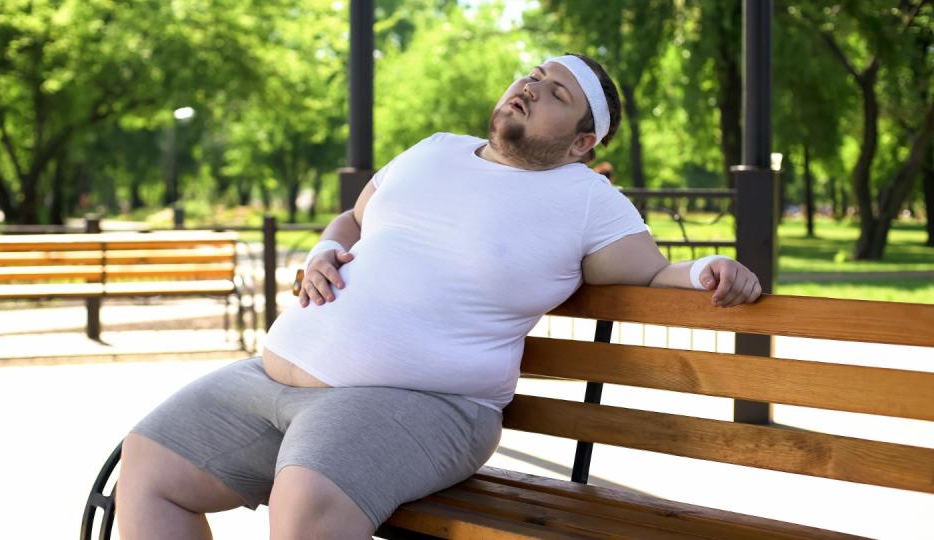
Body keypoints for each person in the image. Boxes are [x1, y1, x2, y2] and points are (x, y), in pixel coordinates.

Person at [116, 53, 761, 540]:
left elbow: (649, 274)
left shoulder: (585, 199)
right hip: (271, 377)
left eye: (556, 92)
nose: (530, 87)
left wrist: (712, 268)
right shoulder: (434, 150)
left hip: (418, 404)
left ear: (583, 141)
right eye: (533, 75)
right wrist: (321, 249)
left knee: (305, 507)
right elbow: (352, 222)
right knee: (146, 468)